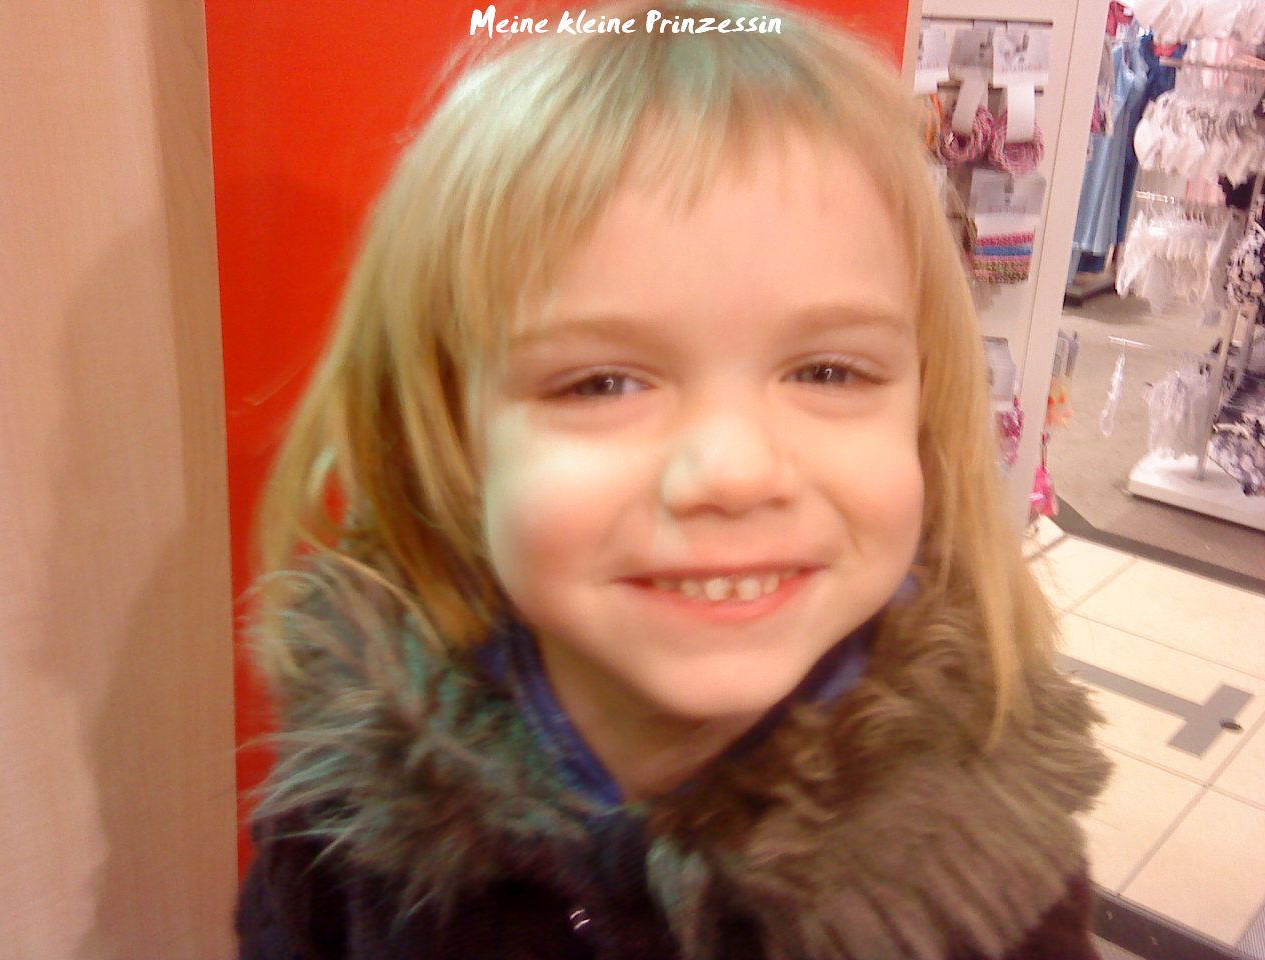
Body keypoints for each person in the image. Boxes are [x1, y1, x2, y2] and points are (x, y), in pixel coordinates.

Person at [233, 1, 1114, 957]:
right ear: (445, 434)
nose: (732, 473)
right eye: (601, 383)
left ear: (924, 413)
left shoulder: (987, 880)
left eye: (828, 371)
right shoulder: (348, 817)